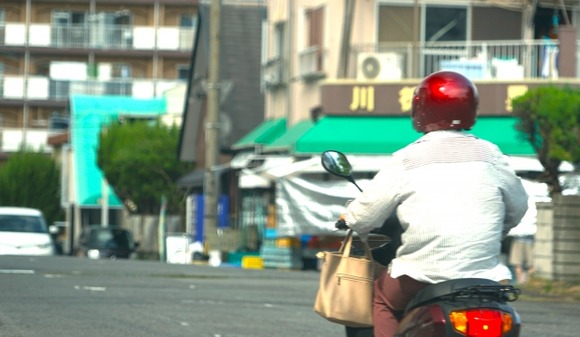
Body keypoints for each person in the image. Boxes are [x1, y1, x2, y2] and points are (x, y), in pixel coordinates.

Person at [339, 71, 529, 337]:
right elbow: (518, 207)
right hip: (485, 277)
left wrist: (348, 218)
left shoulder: (408, 158)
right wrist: (497, 228)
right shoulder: (491, 155)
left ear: (421, 107)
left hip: (423, 273)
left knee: (379, 297)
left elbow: (365, 216)